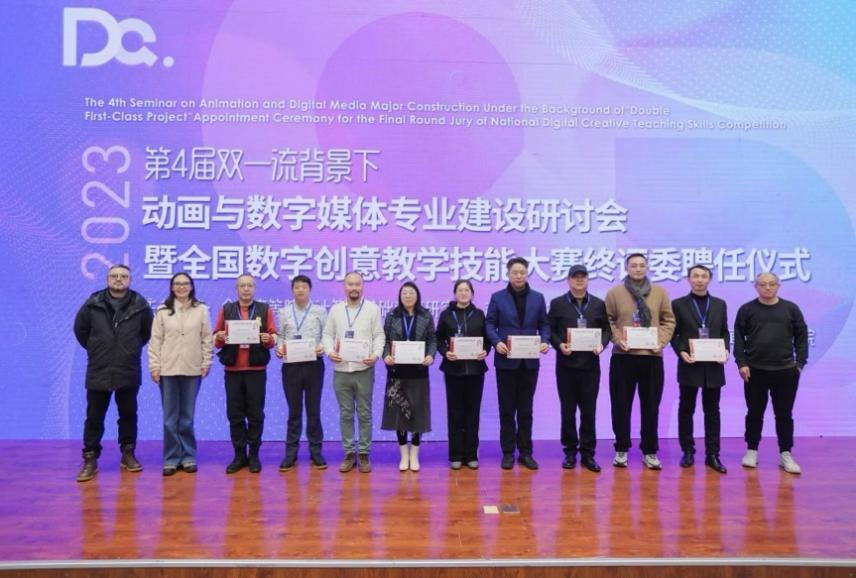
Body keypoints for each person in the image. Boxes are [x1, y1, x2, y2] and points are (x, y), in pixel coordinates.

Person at [73, 264, 153, 482]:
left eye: (123, 276)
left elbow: (146, 334)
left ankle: (128, 453)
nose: (119, 279)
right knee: (94, 417)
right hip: (99, 367)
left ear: (130, 280)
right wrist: (97, 347)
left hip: (128, 367)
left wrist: (128, 348)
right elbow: (80, 330)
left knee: (128, 415)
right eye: (114, 276)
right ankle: (90, 458)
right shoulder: (92, 304)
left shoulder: (140, 305)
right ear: (107, 279)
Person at [605, 253, 675, 470]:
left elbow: (668, 320)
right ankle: (621, 449)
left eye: (641, 265)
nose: (637, 268)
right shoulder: (615, 293)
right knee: (621, 405)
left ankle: (650, 451)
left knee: (651, 406)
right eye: (633, 265)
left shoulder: (659, 292)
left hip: (651, 357)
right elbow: (608, 320)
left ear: (647, 268)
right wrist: (618, 340)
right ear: (626, 268)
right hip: (623, 357)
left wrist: (661, 342)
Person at [734, 272, 808, 475]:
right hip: (754, 371)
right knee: (754, 412)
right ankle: (751, 450)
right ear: (755, 286)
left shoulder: (791, 309)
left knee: (784, 414)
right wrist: (741, 362)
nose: (767, 287)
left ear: (778, 285)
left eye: (772, 284)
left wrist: (799, 363)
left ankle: (786, 453)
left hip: (785, 371)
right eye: (763, 284)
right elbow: (738, 338)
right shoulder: (747, 309)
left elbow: (802, 337)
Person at [485, 257, 550, 470]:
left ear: (527, 273)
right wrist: (496, 342)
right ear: (508, 274)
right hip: (506, 362)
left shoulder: (538, 298)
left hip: (529, 362)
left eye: (522, 272)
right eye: (515, 272)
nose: (519, 276)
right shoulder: (497, 297)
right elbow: (490, 324)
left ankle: (525, 452)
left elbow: (544, 324)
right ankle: (507, 452)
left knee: (525, 410)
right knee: (506, 409)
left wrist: (545, 341)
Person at [148, 273, 213, 476]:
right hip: (167, 369)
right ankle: (171, 458)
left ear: (191, 287)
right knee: (170, 418)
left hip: (192, 368)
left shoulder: (201, 310)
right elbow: (155, 341)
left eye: (185, 284)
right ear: (171, 287)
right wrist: (154, 366)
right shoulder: (162, 311)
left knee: (186, 417)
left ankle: (188, 456)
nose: (181, 287)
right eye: (177, 284)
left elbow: (206, 339)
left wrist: (206, 362)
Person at [548, 265, 610, 472]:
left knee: (588, 411)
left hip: (590, 366)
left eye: (583, 277)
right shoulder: (557, 304)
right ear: (568, 280)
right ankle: (569, 452)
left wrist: (602, 344)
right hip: (566, 366)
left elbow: (606, 330)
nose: (579, 280)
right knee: (568, 411)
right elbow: (550, 330)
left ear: (588, 280)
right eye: (575, 277)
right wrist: (560, 345)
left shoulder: (599, 304)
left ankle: (588, 453)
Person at [212, 274, 276, 474]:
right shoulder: (226, 309)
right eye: (242, 286)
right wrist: (220, 337)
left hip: (256, 370)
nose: (246, 289)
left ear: (254, 288)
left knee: (256, 414)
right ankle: (239, 454)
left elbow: (273, 337)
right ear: (236, 289)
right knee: (235, 414)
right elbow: (216, 339)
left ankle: (254, 454)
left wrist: (268, 339)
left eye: (249, 285)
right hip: (232, 371)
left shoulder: (264, 309)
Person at [322, 272, 385, 474]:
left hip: (364, 369)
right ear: (344, 286)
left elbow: (379, 335)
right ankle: (349, 453)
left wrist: (376, 355)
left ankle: (364, 453)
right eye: (350, 284)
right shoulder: (335, 310)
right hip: (341, 370)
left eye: (357, 284)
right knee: (346, 413)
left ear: (363, 286)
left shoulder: (372, 309)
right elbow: (327, 335)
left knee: (365, 413)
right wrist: (329, 352)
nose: (354, 288)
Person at [670, 265, 729, 474]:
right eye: (695, 276)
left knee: (712, 411)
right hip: (690, 363)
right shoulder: (678, 304)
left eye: (704, 276)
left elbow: (724, 332)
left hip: (713, 365)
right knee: (686, 409)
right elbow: (674, 334)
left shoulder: (720, 304)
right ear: (689, 279)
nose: (699, 280)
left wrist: (726, 350)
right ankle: (688, 451)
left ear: (709, 279)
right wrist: (681, 351)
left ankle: (713, 454)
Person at [381, 282, 437, 472]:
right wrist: (386, 355)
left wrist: (430, 355)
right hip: (396, 372)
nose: (407, 296)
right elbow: (385, 340)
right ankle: (404, 454)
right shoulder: (392, 315)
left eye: (411, 292)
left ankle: (415, 454)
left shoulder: (426, 315)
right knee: (399, 414)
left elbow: (432, 340)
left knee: (418, 414)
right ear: (400, 296)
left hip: (419, 372)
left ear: (417, 295)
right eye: (404, 293)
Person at [275, 275, 328, 471]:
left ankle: (316, 451)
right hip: (291, 366)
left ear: (310, 290)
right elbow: (280, 336)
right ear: (292, 290)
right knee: (294, 411)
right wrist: (279, 349)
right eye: (296, 287)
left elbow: (327, 335)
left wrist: (322, 347)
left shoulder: (320, 311)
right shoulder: (284, 312)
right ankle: (291, 453)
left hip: (314, 365)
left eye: (304, 287)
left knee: (313, 410)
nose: (300, 290)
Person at [436, 280, 490, 470]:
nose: (464, 293)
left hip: (476, 370)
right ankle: (456, 455)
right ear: (455, 293)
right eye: (460, 290)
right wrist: (445, 352)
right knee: (455, 413)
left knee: (473, 413)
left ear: (472, 294)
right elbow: (438, 339)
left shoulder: (479, 314)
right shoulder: (446, 314)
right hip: (453, 370)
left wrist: (485, 351)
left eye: (467, 290)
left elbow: (487, 339)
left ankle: (471, 454)